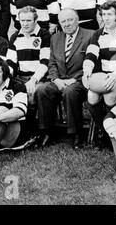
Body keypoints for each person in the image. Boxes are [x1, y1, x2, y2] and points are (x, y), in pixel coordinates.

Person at [34, 9, 94, 149]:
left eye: (70, 20)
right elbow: (52, 62)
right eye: (63, 21)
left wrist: (76, 79)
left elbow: (92, 61)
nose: (67, 24)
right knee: (42, 90)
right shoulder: (55, 38)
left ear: (77, 19)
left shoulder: (90, 35)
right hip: (59, 79)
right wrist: (55, 79)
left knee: (70, 92)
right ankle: (47, 131)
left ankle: (75, 133)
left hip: (80, 80)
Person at [83, 0, 116, 146]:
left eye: (109, 14)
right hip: (103, 75)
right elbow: (91, 55)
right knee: (92, 96)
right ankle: (104, 132)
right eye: (103, 14)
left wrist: (115, 76)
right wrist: (87, 70)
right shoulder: (98, 34)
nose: (105, 18)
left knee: (109, 95)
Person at [6, 6, 51, 136]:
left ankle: (34, 132)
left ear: (35, 20)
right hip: (20, 77)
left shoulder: (44, 35)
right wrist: (7, 78)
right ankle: (15, 130)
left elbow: (45, 62)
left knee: (31, 95)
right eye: (22, 20)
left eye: (28, 20)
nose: (25, 24)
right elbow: (10, 62)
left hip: (39, 78)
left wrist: (34, 79)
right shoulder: (15, 36)